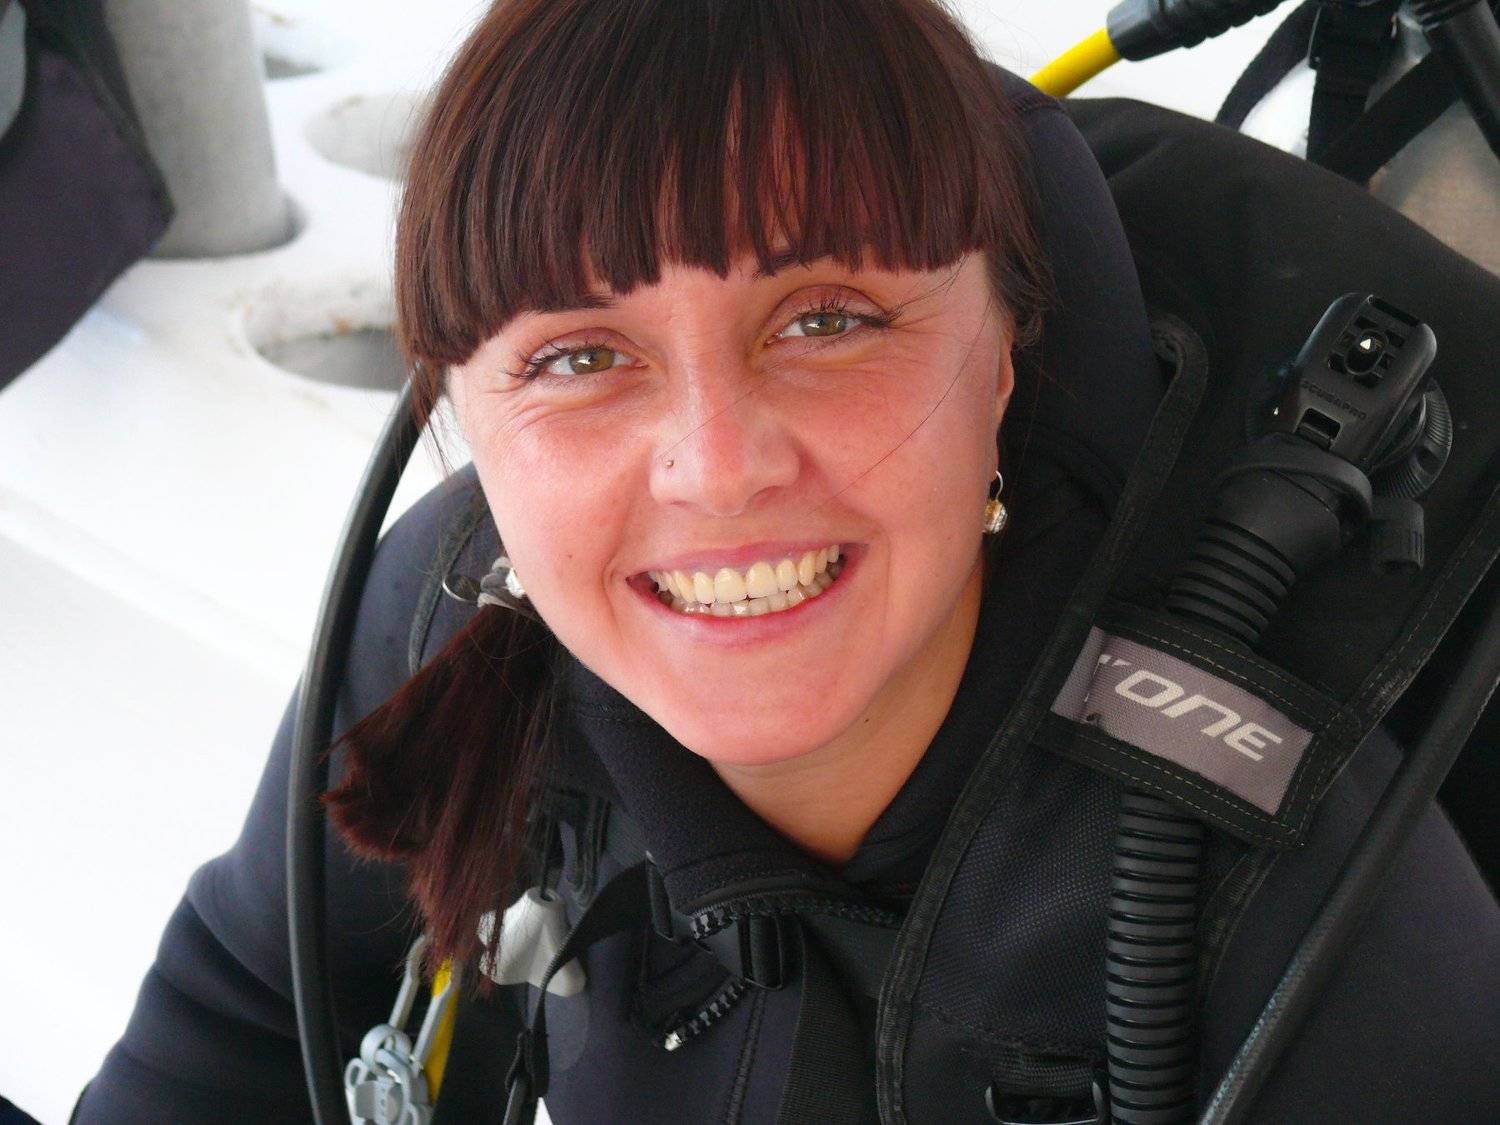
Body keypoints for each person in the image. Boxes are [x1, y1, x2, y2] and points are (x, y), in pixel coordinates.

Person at [74, 1, 1500, 1122]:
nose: (717, 466)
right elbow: (244, 1010)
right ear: (463, 412)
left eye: (826, 322)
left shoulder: (1299, 927)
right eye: (580, 357)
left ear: (1007, 352)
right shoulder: (452, 620)